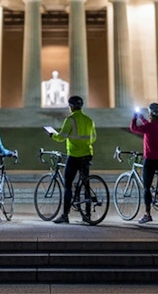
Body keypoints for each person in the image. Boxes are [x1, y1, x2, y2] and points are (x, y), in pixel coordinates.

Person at [51, 95, 97, 224]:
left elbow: (61, 137)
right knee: (86, 184)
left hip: (74, 155)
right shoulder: (89, 120)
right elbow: (93, 138)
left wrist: (52, 134)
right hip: (87, 154)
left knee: (68, 185)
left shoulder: (70, 120)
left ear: (71, 106)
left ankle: (65, 215)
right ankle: (87, 215)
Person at [129, 102, 158, 224]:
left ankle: (147, 214)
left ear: (152, 114)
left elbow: (133, 128)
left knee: (146, 187)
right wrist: (142, 118)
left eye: (149, 113)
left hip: (151, 158)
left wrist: (135, 117)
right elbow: (150, 126)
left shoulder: (149, 127)